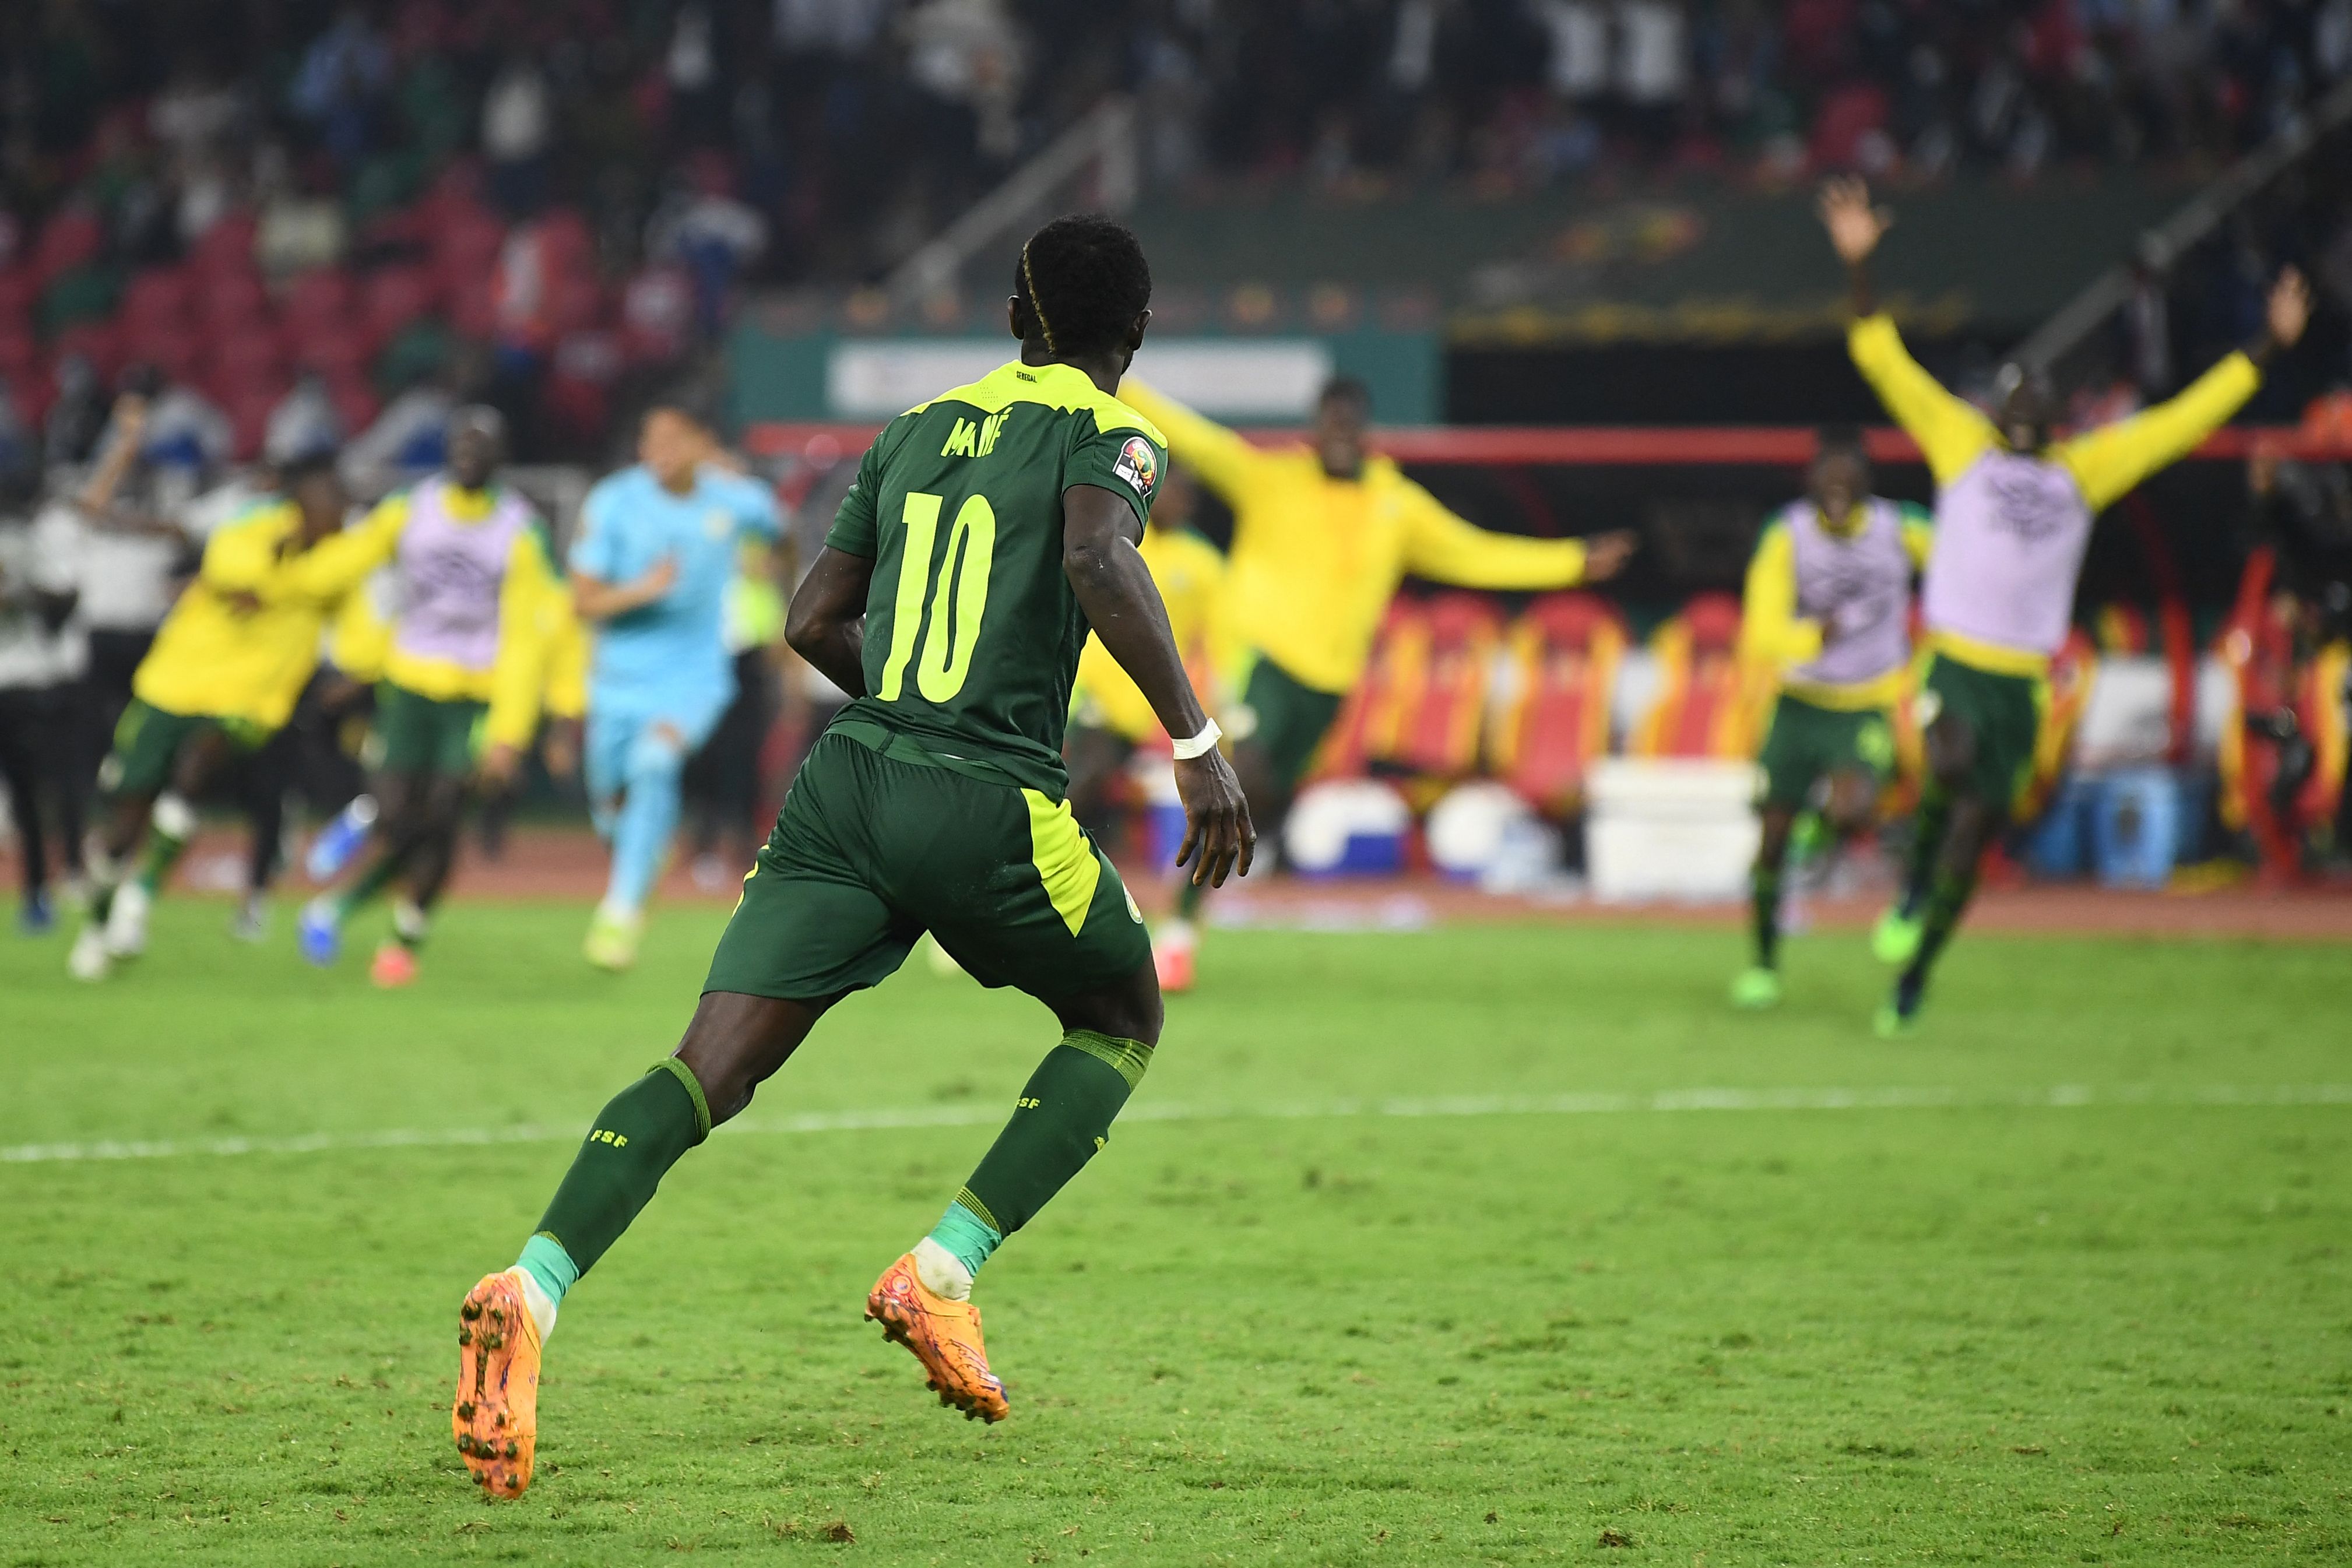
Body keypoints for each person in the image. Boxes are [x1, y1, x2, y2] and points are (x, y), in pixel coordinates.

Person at [448, 213, 1253, 1501]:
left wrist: (910, 708)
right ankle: (940, 1270)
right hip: (986, 796)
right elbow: (1099, 554)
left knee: (704, 1070)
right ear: (1135, 338)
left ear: (1010, 321)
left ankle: (531, 1283)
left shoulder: (915, 429)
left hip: (846, 782)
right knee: (1119, 1015)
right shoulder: (1115, 431)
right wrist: (1195, 739)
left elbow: (810, 618)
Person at [1818, 175, 2311, 1035]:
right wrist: (1859, 269)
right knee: (1946, 759)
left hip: (2022, 681)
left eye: (2040, 395)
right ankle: (1906, 883)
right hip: (1956, 659)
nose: (2025, 403)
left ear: (2058, 415)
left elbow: (2182, 422)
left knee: (1978, 827)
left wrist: (2264, 350)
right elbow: (1878, 358)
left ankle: (1916, 971)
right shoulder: (1957, 441)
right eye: (2013, 390)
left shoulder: (2082, 471)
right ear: (1992, 402)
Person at [1115, 375, 1636, 990]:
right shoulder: (1271, 478)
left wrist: (1572, 562)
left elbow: (1474, 554)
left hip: (1328, 688)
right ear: (1315, 428)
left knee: (1259, 803)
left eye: (1349, 423)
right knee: (1241, 773)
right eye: (1328, 422)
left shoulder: (1397, 506)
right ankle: (1176, 935)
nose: (1338, 434)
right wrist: (1108, 369)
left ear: (1363, 430)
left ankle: (1189, 918)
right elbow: (1193, 435)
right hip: (1264, 666)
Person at [67, 455, 376, 980]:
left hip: (249, 703)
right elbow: (231, 575)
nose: (343, 518)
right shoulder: (248, 529)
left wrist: (357, 675)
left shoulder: (339, 568)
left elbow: (364, 639)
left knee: (197, 768)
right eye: (334, 506)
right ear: (301, 505)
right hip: (172, 686)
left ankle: (140, 898)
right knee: (122, 824)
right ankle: (103, 921)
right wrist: (289, 571)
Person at [296, 409, 570, 985]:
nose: (469, 452)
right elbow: (351, 563)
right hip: (409, 684)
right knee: (402, 814)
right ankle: (359, 840)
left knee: (443, 818)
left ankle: (401, 939)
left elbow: (529, 636)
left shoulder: (519, 530)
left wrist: (509, 734)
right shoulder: (411, 508)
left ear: (501, 457)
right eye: (461, 442)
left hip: (475, 695)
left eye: (482, 444)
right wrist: (291, 576)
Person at [566, 403, 783, 970]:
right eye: (652, 441)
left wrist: (780, 585)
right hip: (618, 681)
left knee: (656, 762)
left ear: (699, 444)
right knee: (611, 801)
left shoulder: (734, 499)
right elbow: (583, 600)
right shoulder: (614, 502)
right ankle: (641, 850)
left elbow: (779, 532)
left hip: (695, 678)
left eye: (675, 440)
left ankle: (619, 916)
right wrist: (645, 589)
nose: (662, 452)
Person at [1731, 429, 1932, 1009]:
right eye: (1827, 479)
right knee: (1769, 841)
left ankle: (1818, 832)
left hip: (1867, 698)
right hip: (1799, 702)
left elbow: (1964, 572)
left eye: (1850, 480)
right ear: (1810, 483)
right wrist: (1808, 635)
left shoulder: (1903, 528)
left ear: (1870, 485)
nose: (1837, 491)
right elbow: (1759, 628)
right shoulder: (1785, 534)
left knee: (1854, 809)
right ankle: (1764, 964)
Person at [1062, 462, 1225, 852]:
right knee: (1075, 783)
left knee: (1086, 798)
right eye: (1172, 490)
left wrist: (1221, 703)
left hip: (1132, 708)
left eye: (1187, 495)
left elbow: (1220, 642)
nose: (1179, 501)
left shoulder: (1203, 564)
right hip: (1081, 692)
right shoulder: (1116, 539)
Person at [0, 475, 86, 933]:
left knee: (29, 799)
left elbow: (65, 602)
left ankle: (37, 894)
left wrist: (22, 593)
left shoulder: (29, 543)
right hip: (21, 683)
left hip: (22, 685)